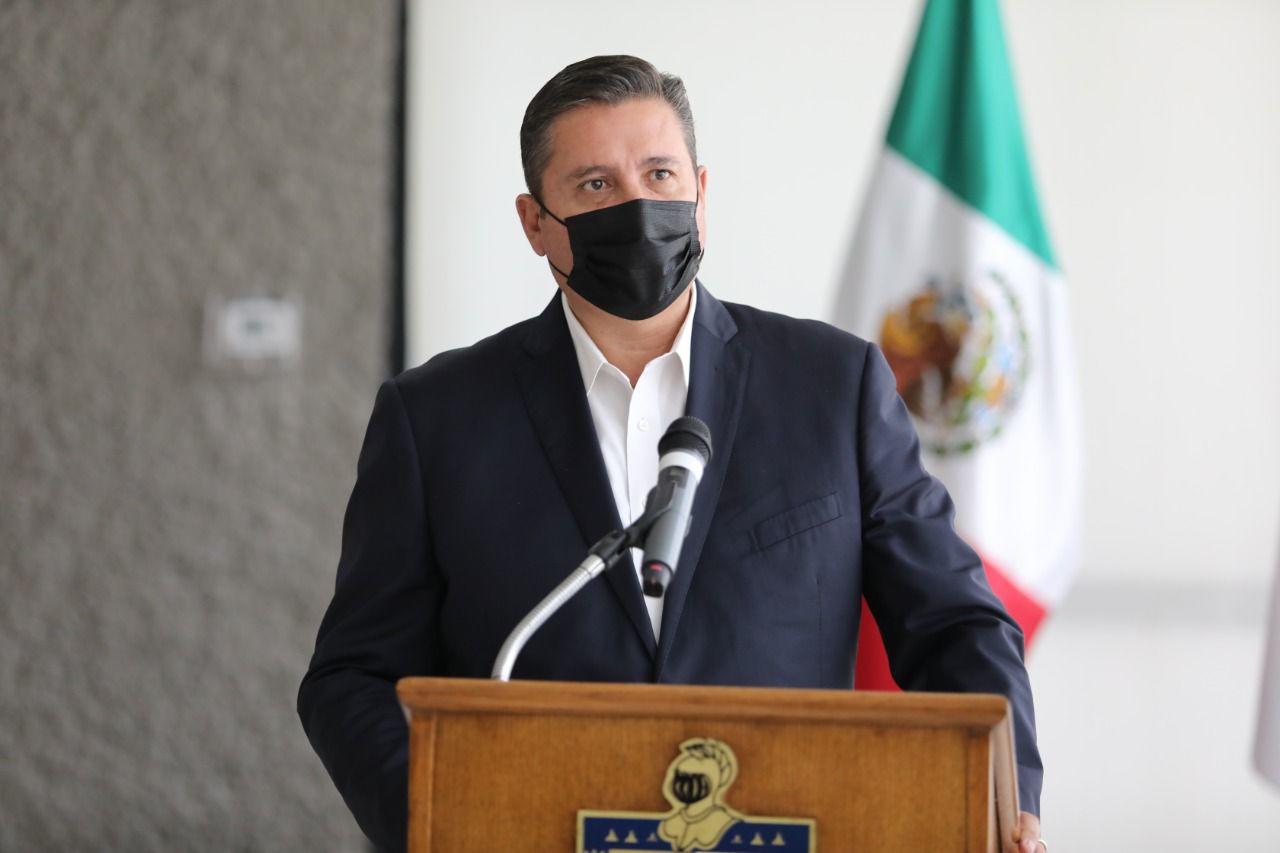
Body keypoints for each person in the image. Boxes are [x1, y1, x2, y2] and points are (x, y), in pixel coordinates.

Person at [298, 55, 1047, 853]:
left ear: (701, 192)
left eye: (659, 174)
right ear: (534, 223)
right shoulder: (436, 419)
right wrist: (442, 821)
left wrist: (1009, 804)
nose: (638, 206)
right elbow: (353, 677)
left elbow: (955, 623)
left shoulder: (834, 387)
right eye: (596, 185)